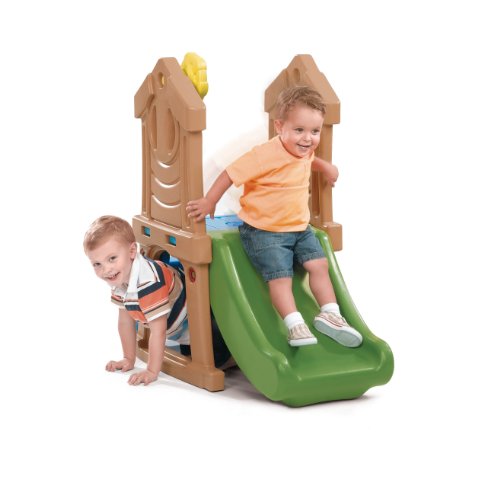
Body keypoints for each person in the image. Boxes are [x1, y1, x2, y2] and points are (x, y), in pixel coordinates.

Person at [187, 86, 362, 348]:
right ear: (280, 126)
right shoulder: (264, 154)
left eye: (315, 131)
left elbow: (309, 159)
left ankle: (331, 314)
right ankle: (294, 324)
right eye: (299, 130)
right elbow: (230, 173)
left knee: (319, 265)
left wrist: (326, 167)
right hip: (265, 231)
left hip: (299, 228)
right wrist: (209, 200)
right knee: (281, 276)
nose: (308, 139)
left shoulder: (303, 150)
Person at [83, 215, 231, 385]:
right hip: (179, 327)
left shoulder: (148, 282)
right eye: (97, 264)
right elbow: (125, 322)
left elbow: (158, 330)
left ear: (132, 251)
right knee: (188, 350)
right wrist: (128, 358)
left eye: (112, 259)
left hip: (203, 319)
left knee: (219, 357)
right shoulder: (119, 279)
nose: (106, 270)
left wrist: (152, 371)